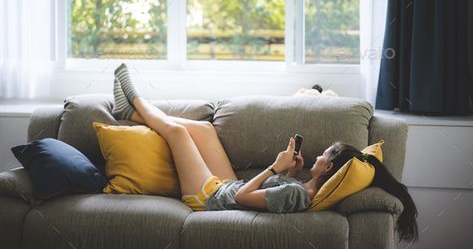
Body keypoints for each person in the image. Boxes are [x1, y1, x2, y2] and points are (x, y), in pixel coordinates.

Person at [112, 63, 418, 243]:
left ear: (328, 169)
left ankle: (135, 100)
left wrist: (273, 167)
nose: (317, 156)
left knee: (178, 133)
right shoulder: (301, 188)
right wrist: (291, 173)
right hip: (226, 185)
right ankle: (132, 114)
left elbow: (244, 198)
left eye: (324, 156)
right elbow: (273, 193)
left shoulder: (299, 197)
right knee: (204, 129)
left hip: (208, 197)